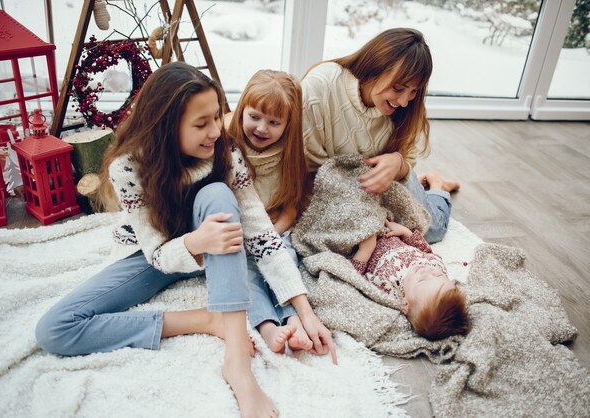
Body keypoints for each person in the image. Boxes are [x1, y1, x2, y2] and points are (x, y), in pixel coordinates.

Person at [35, 62, 334, 418]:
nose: (215, 131)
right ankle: (208, 320)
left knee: (219, 196)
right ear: (167, 124)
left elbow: (261, 233)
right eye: (201, 124)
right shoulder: (128, 167)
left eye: (215, 118)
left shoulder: (225, 150)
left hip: (215, 250)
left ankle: (237, 363)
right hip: (155, 256)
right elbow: (157, 254)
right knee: (53, 329)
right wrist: (196, 243)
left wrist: (306, 310)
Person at [302, 28, 460, 244]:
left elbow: (409, 157)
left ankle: (437, 187)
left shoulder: (407, 107)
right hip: (337, 187)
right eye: (398, 88)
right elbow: (308, 164)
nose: (404, 101)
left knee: (431, 231)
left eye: (413, 92)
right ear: (375, 66)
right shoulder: (321, 85)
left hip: (387, 179)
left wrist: (399, 163)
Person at [228, 70, 317, 355]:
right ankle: (268, 327)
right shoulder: (226, 148)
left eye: (274, 122)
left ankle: (293, 319)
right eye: (254, 117)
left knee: (286, 261)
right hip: (239, 235)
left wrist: (270, 237)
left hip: (275, 229)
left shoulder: (289, 156)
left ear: (288, 125)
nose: (262, 128)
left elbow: (290, 210)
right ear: (242, 110)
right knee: (247, 275)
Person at [350, 220, 470, 341]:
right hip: (393, 230)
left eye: (421, 280)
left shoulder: (388, 289)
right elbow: (425, 250)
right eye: (438, 275)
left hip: (366, 240)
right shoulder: (436, 267)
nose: (427, 271)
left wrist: (365, 251)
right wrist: (405, 232)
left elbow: (355, 279)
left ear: (405, 304)